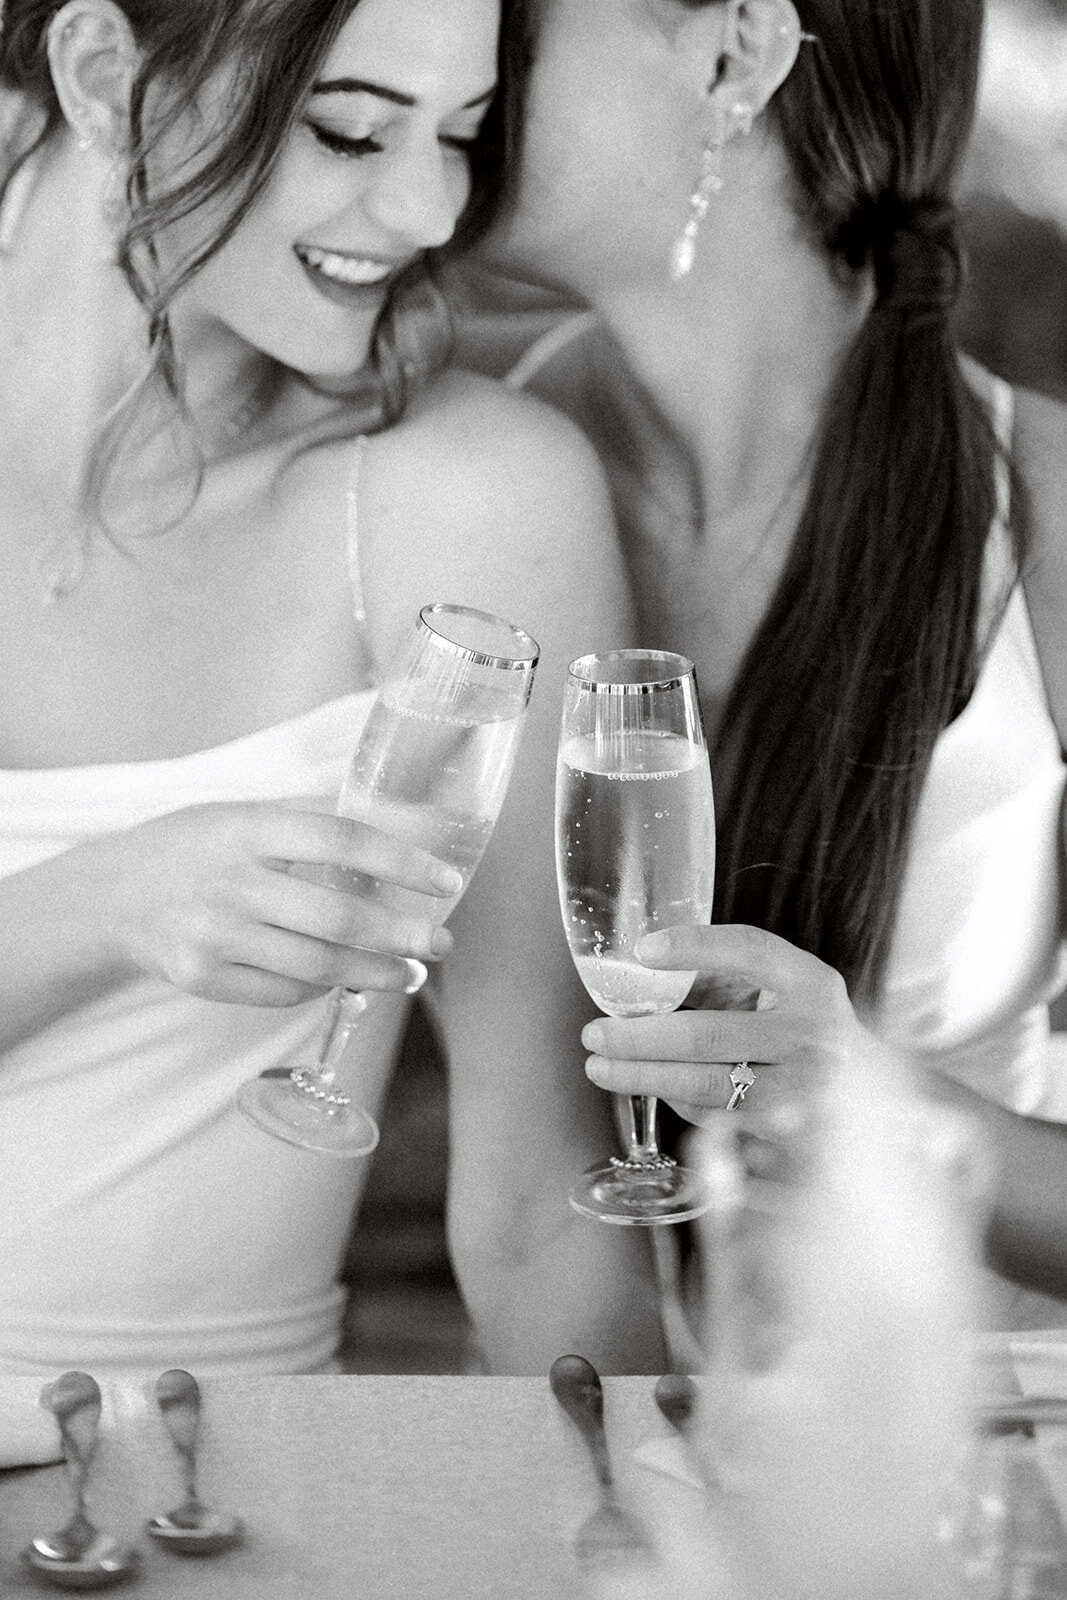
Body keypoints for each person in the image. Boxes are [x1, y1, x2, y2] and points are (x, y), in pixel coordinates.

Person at [0, 0, 666, 1376]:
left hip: (203, 1488)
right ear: (103, 73)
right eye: (350, 127)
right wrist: (101, 904)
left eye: (462, 136)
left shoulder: (468, 503)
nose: (426, 206)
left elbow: (540, 1199)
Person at [451, 0, 1067, 1323]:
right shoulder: (467, 468)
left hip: (973, 1463)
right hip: (588, 1436)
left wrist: (862, 1101)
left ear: (733, 53)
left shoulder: (1052, 514)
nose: (448, 57)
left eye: (507, 23)